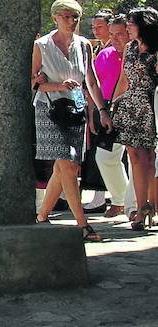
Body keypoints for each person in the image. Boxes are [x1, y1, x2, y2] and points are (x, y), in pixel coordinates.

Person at [32, 0, 107, 241]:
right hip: (50, 109)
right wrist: (55, 85)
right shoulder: (41, 45)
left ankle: (42, 216)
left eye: (75, 17)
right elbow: (32, 83)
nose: (71, 21)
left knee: (65, 167)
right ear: (55, 18)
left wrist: (102, 109)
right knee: (67, 166)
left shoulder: (84, 45)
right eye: (66, 16)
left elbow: (91, 81)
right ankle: (83, 225)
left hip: (75, 109)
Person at [103, 7, 158, 231]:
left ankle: (151, 206)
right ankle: (141, 206)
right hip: (129, 105)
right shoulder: (130, 47)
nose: (128, 27)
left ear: (144, 25)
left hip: (150, 104)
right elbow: (123, 79)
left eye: (131, 23)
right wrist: (112, 106)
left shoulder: (155, 49)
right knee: (134, 157)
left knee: (150, 158)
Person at [92, 14, 133, 219]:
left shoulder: (137, 54)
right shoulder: (105, 54)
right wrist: (95, 112)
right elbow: (92, 84)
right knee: (105, 156)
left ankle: (132, 205)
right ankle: (120, 198)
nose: (115, 39)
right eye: (112, 34)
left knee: (136, 158)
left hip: (135, 107)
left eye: (120, 34)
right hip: (108, 109)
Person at [80, 9, 116, 213]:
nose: (95, 30)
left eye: (99, 26)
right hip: (97, 103)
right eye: (93, 27)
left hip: (108, 103)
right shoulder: (97, 49)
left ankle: (104, 196)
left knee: (106, 151)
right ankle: (100, 196)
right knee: (97, 151)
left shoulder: (115, 51)